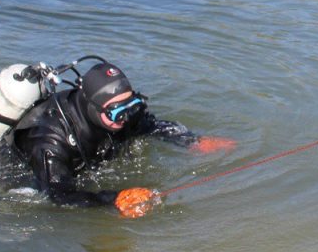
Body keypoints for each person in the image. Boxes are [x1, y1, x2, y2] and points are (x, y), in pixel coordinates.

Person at [12, 60, 234, 216]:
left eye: (131, 105)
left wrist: (192, 141)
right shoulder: (50, 141)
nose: (127, 117)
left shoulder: (122, 114)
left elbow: (153, 125)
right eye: (117, 112)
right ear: (92, 107)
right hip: (12, 169)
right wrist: (113, 199)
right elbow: (58, 195)